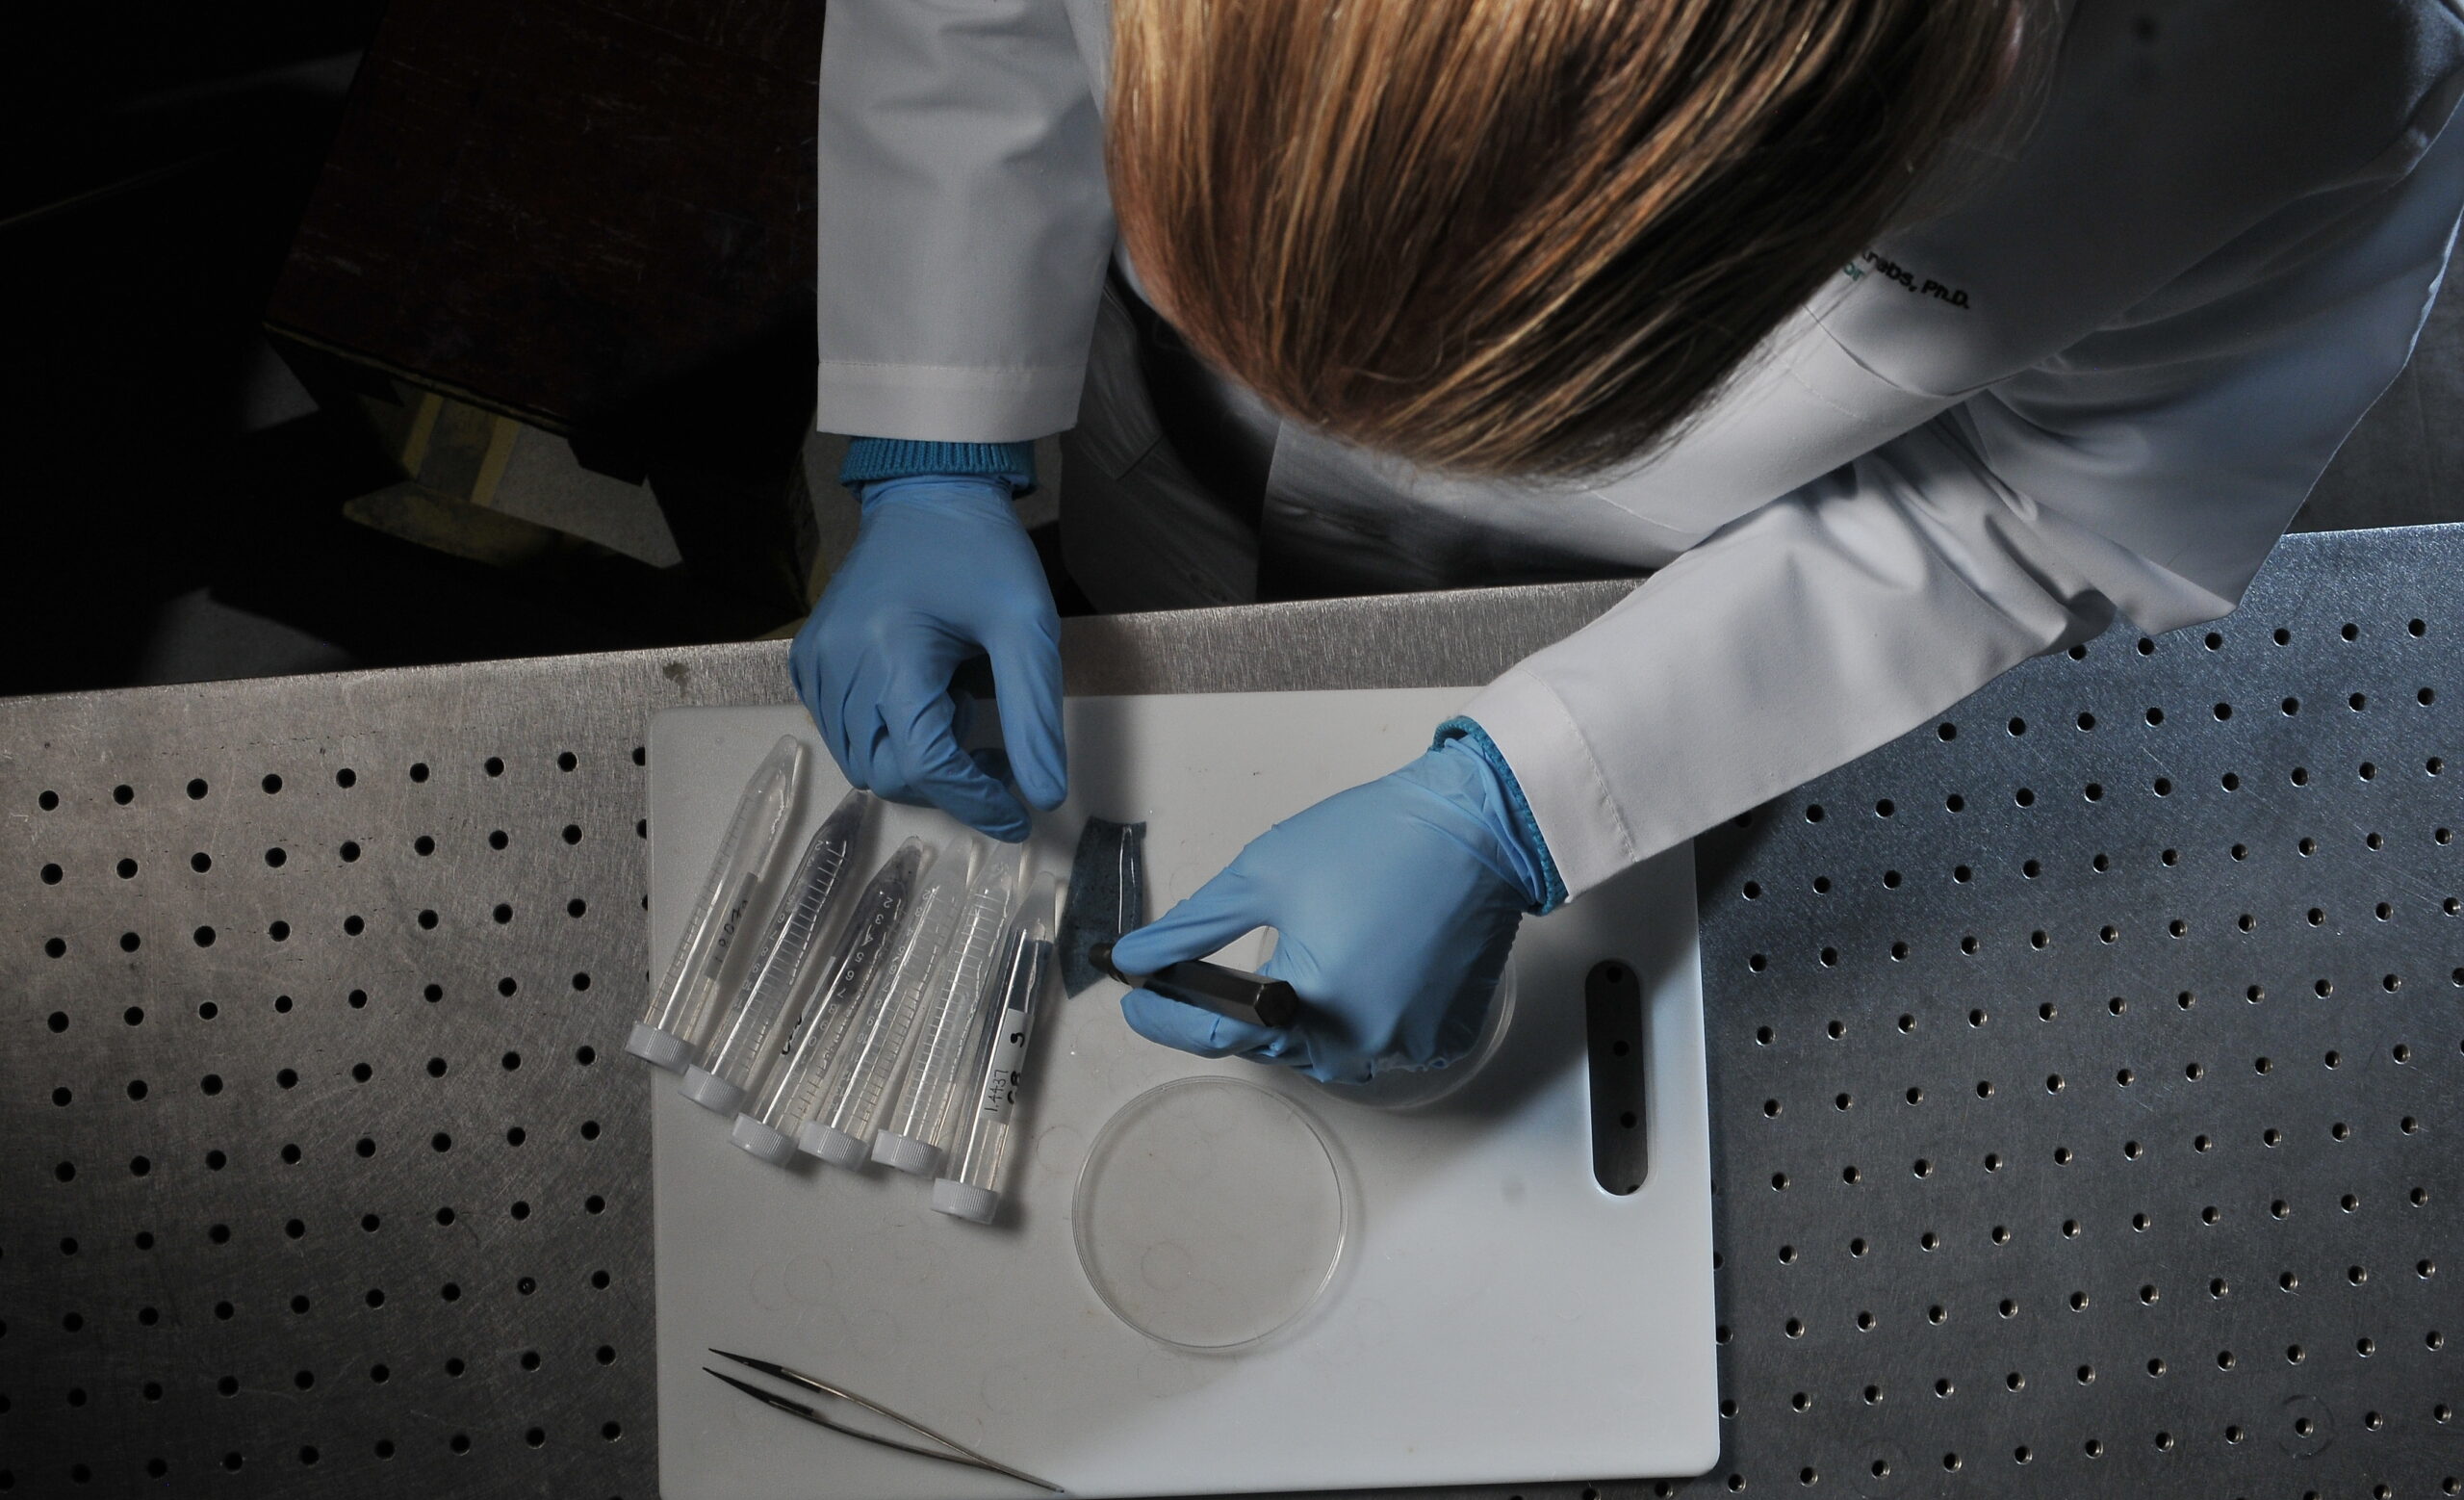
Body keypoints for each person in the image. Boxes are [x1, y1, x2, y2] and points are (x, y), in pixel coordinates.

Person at [791, 0, 2464, 1085]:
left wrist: (1527, 792)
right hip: (1149, 432)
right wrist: (937, 434)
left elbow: (2050, 501)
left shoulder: (2285, 61)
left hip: (1662, 597)